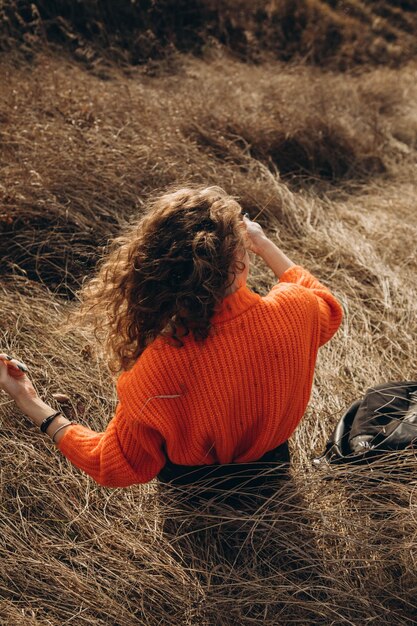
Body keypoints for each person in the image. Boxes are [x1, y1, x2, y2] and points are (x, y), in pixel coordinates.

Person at [0, 185, 343, 499]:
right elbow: (328, 304)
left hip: (192, 500)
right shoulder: (297, 308)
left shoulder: (154, 369)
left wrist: (28, 400)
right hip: (274, 478)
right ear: (240, 259)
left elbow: (111, 464)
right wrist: (264, 242)